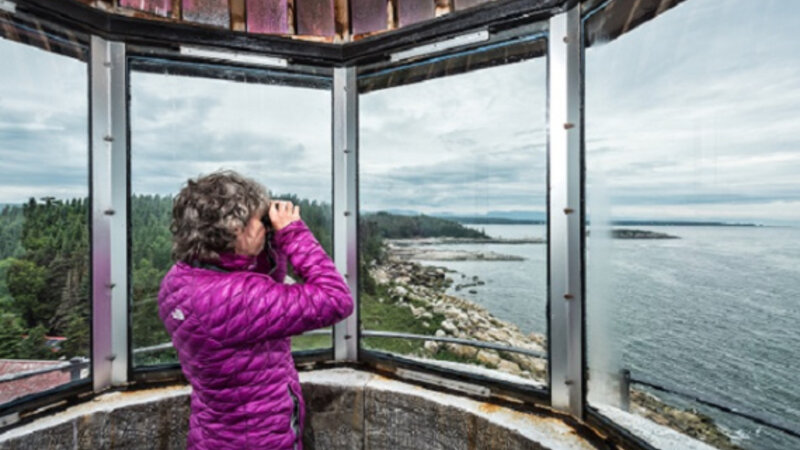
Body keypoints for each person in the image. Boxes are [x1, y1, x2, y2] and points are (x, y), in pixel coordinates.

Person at [158, 170, 353, 450]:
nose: (265, 226)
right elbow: (336, 299)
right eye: (258, 221)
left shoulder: (179, 279)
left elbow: (258, 292)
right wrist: (293, 235)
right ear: (235, 229)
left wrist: (270, 243)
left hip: (215, 434)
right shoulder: (237, 300)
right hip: (260, 438)